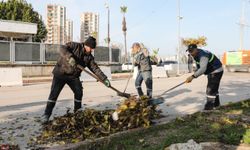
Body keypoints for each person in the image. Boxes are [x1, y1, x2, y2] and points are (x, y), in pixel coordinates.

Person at [41, 36, 111, 122]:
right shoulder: (74, 46)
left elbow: (95, 69)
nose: (92, 50)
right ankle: (46, 114)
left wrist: (104, 79)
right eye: (91, 48)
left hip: (73, 77)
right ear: (86, 45)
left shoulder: (89, 57)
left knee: (79, 92)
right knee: (54, 94)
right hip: (61, 74)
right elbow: (62, 48)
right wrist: (69, 57)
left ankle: (77, 113)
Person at [185, 44, 223, 110]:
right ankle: (217, 105)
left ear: (196, 49)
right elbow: (199, 66)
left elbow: (202, 69)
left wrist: (192, 76)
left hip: (216, 71)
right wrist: (195, 74)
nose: (190, 53)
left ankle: (208, 109)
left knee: (210, 90)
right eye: (189, 51)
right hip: (211, 71)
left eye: (192, 51)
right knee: (214, 89)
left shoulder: (203, 55)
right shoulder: (195, 54)